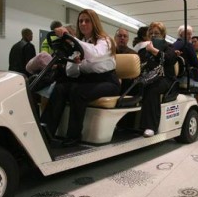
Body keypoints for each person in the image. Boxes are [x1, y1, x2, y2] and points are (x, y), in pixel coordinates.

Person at [41, 9, 119, 147]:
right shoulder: (80, 42)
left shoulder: (105, 40)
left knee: (78, 91)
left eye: (87, 20)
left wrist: (71, 38)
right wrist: (75, 63)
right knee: (60, 88)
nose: (83, 23)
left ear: (94, 23)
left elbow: (95, 54)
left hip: (108, 82)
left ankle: (73, 136)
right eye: (80, 21)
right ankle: (45, 132)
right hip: (87, 80)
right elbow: (72, 73)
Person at [136, 22, 177, 137]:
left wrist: (154, 50)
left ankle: (150, 126)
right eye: (151, 33)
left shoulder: (169, 47)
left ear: (163, 35)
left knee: (152, 88)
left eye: (157, 33)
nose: (153, 35)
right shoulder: (144, 49)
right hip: (148, 77)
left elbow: (170, 59)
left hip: (166, 79)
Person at [172, 25, 198, 119]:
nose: (190, 35)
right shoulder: (188, 44)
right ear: (181, 33)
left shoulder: (174, 44)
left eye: (191, 33)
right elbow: (194, 61)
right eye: (188, 33)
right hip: (186, 76)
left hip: (176, 77)